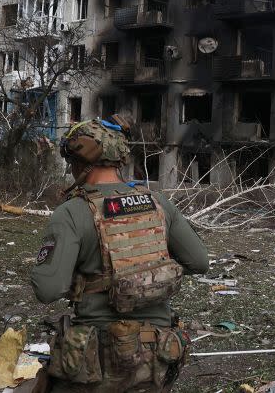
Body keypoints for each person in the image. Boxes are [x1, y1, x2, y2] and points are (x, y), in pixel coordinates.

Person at [30, 115, 209, 392]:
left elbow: (48, 288)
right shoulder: (157, 202)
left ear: (79, 159)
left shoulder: (72, 212)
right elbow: (199, 262)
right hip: (157, 359)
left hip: (97, 362)